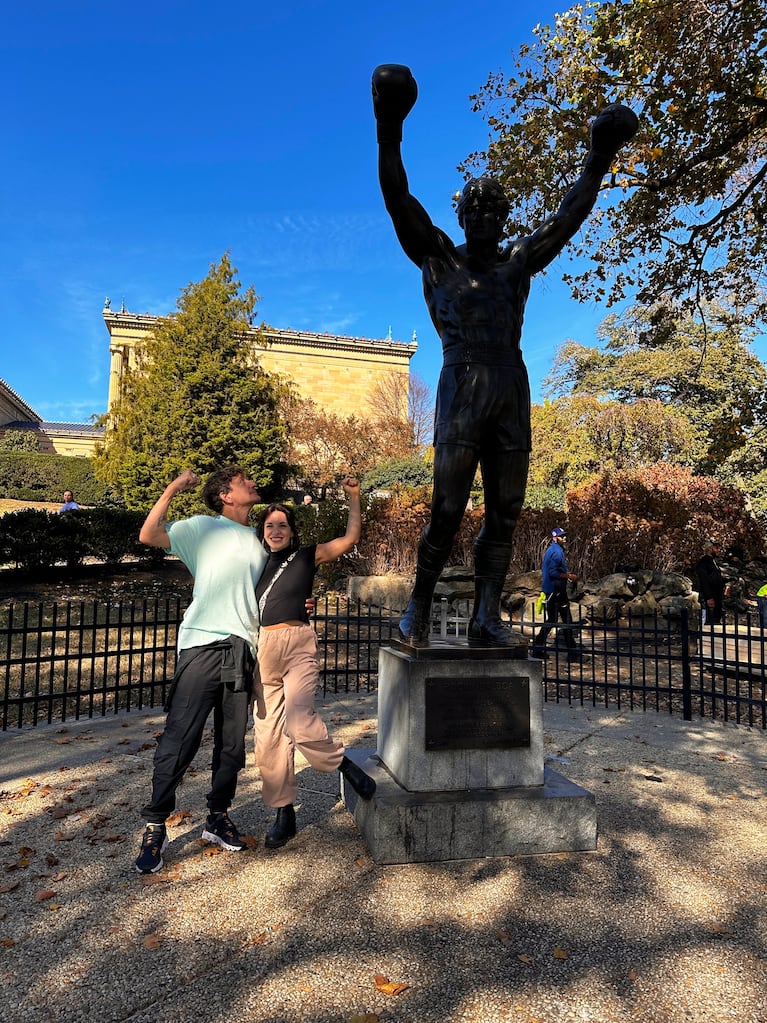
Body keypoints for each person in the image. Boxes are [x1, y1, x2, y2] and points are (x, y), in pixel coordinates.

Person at [372, 64, 638, 647]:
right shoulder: (439, 257)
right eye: (478, 209)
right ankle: (417, 607)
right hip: (462, 381)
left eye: (498, 211)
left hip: (510, 384)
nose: (489, 218)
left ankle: (487, 617)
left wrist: (598, 155)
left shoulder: (518, 262)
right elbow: (398, 197)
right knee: (446, 509)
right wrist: (388, 124)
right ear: (463, 215)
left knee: (506, 512)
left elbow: (567, 219)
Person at [133, 466, 267, 874]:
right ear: (226, 495)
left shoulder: (263, 540)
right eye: (245, 480)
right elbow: (149, 535)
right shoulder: (201, 528)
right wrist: (174, 487)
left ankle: (217, 817)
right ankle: (156, 824)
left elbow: (264, 592)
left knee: (231, 745)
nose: (253, 482)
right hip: (202, 644)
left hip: (243, 648)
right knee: (181, 737)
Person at [253, 476, 376, 850]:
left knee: (299, 720)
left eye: (283, 525)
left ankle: (343, 765)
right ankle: (283, 812)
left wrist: (353, 496)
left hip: (298, 644)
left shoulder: (307, 555)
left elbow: (349, 538)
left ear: (292, 530)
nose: (276, 530)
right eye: (270, 525)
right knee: (268, 737)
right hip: (261, 650)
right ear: (261, 532)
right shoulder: (251, 563)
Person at [531, 528, 580, 660]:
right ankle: (573, 654)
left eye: (564, 536)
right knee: (567, 621)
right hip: (557, 591)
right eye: (561, 536)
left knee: (551, 620)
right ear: (554, 538)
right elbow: (553, 572)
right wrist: (569, 576)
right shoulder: (557, 552)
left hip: (550, 590)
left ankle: (537, 649)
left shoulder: (550, 550)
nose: (564, 538)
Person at [696, 539, 729, 626]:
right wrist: (709, 597)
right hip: (709, 599)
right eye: (716, 548)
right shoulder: (703, 563)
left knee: (716, 622)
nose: (719, 550)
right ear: (710, 549)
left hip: (717, 598)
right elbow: (704, 581)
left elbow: (716, 578)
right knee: (709, 624)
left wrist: (724, 586)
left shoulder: (714, 561)